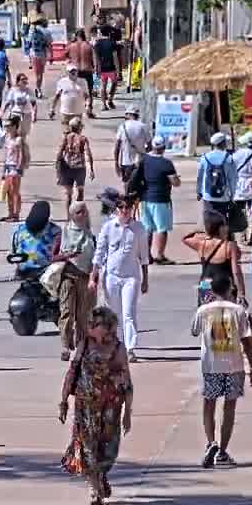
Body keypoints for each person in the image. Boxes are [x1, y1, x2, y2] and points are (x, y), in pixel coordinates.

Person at [59, 306, 134, 505]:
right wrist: (64, 401)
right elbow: (72, 372)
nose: (110, 333)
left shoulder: (118, 349)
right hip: (86, 408)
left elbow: (127, 382)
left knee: (109, 451)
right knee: (88, 448)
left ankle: (100, 475)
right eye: (106, 328)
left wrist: (127, 412)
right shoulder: (84, 344)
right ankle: (94, 488)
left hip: (111, 409)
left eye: (112, 329)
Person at [190, 270, 252, 468]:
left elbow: (194, 331)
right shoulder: (239, 311)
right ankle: (222, 452)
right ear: (229, 289)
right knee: (229, 407)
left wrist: (204, 304)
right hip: (233, 365)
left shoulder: (204, 310)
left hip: (211, 365)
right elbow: (247, 341)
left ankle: (211, 442)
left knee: (209, 404)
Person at [91, 193, 150, 354]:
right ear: (116, 209)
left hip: (131, 277)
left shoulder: (138, 228)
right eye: (121, 207)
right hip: (112, 276)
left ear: (132, 209)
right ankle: (114, 345)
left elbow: (144, 256)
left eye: (127, 207)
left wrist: (145, 279)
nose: (124, 210)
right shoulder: (109, 227)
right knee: (113, 313)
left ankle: (130, 348)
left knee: (129, 313)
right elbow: (99, 252)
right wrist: (93, 276)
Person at [55, 200, 98, 359]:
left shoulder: (90, 236)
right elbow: (52, 256)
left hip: (85, 278)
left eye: (84, 211)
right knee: (67, 311)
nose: (83, 215)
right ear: (72, 215)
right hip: (68, 276)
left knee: (83, 315)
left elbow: (96, 260)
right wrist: (67, 255)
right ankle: (65, 346)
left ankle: (80, 345)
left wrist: (95, 279)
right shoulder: (64, 233)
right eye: (79, 212)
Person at [183, 211, 247, 308]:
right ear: (220, 228)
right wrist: (241, 293)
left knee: (207, 313)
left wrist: (200, 230)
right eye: (224, 225)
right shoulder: (229, 246)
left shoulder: (201, 244)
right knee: (227, 314)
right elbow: (236, 271)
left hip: (205, 285)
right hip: (225, 286)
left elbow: (185, 238)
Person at [136, 137, 180, 264]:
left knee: (147, 229)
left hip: (145, 199)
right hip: (161, 200)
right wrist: (176, 179)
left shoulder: (144, 160)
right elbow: (175, 182)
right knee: (162, 229)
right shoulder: (166, 163)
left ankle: (146, 256)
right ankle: (160, 256)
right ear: (163, 148)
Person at [196, 133, 236, 229]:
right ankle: (222, 237)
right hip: (224, 197)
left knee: (209, 221)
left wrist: (199, 192)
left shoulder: (205, 157)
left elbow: (200, 176)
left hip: (208, 195)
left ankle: (210, 236)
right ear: (223, 143)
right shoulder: (228, 158)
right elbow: (232, 179)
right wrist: (232, 195)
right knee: (222, 222)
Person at [53, 116, 94, 208]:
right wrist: (91, 169)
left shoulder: (66, 138)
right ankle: (78, 212)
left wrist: (58, 170)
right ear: (80, 128)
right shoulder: (83, 139)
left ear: (71, 127)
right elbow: (89, 154)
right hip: (80, 168)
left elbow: (59, 154)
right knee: (80, 192)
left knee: (68, 195)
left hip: (67, 167)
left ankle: (68, 215)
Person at [228, 131, 252, 237]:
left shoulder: (236, 154)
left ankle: (242, 235)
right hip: (251, 184)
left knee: (239, 211)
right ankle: (249, 235)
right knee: (251, 211)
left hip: (238, 185)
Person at [0, 113, 30, 220]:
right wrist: (4, 168)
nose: (6, 128)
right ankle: (10, 213)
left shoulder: (18, 139)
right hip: (8, 166)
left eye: (9, 126)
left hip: (15, 166)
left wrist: (19, 168)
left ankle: (16, 213)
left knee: (15, 190)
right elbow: (6, 154)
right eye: (6, 126)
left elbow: (21, 154)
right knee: (8, 191)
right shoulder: (7, 138)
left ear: (15, 127)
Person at [113, 107, 151, 185]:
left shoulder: (123, 126)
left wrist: (116, 163)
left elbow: (117, 147)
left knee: (127, 184)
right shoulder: (143, 126)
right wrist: (142, 152)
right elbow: (150, 147)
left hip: (126, 162)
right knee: (141, 184)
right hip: (141, 162)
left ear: (129, 114)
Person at [92, 25, 121, 110]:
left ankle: (103, 104)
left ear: (101, 33)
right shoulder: (112, 43)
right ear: (109, 33)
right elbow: (115, 57)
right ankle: (110, 99)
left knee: (103, 85)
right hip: (111, 68)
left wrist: (96, 68)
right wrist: (118, 70)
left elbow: (96, 58)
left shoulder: (97, 44)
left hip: (102, 68)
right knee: (114, 83)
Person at [25, 17, 53, 96]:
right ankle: (38, 89)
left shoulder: (32, 31)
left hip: (33, 54)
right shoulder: (47, 31)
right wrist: (51, 56)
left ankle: (38, 89)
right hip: (42, 55)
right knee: (40, 74)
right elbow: (49, 45)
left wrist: (28, 55)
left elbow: (28, 43)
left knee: (37, 74)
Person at [67, 27, 96, 99]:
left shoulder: (71, 45)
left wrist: (72, 59)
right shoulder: (89, 45)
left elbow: (66, 55)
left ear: (76, 36)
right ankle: (89, 103)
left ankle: (79, 103)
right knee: (89, 89)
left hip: (75, 70)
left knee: (77, 90)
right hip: (87, 69)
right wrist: (94, 67)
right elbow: (93, 58)